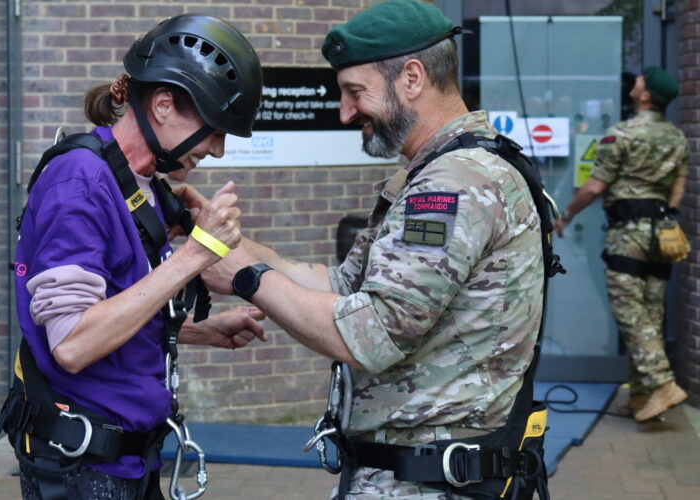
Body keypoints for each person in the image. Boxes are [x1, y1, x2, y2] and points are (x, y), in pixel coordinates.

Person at [184, 1, 549, 498]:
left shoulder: (454, 185)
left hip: (428, 482)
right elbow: (343, 286)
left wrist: (248, 276)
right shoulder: (438, 172)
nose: (345, 111)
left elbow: (372, 333)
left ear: (412, 78)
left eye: (356, 92)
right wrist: (227, 243)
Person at [0, 15, 266, 500]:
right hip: (82, 467)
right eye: (215, 129)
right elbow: (74, 343)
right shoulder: (79, 184)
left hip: (126, 460)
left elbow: (114, 304)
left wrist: (196, 331)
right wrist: (194, 256)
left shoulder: (134, 183)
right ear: (163, 105)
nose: (218, 151)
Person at [554, 66, 690, 423]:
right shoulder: (676, 136)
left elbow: (595, 186)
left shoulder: (622, 134)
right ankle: (642, 396)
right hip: (662, 236)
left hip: (627, 235)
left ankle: (662, 384)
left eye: (641, 81)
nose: (636, 83)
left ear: (645, 96)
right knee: (650, 314)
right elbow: (679, 186)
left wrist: (566, 214)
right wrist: (668, 217)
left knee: (629, 314)